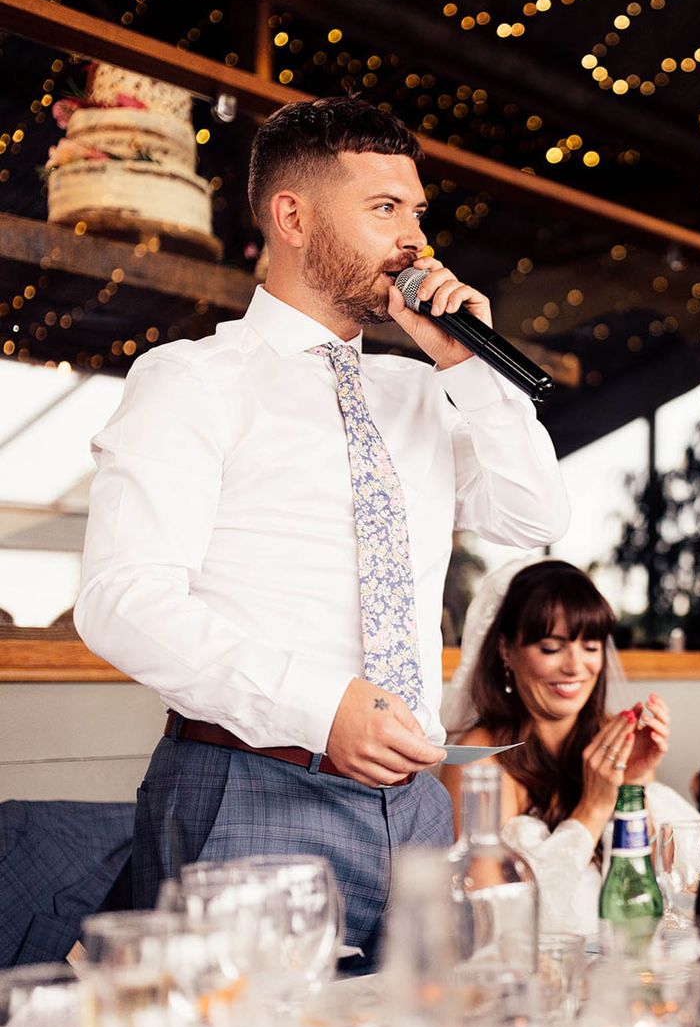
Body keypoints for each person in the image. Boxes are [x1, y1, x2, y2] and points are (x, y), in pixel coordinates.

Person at [74, 96, 569, 970]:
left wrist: (471, 367)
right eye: (384, 209)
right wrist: (317, 704)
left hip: (416, 807)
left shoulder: (425, 389)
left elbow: (533, 520)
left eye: (416, 212)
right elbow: (124, 601)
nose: (414, 238)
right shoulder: (194, 378)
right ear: (292, 217)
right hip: (252, 789)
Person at [441, 559, 699, 937]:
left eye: (591, 646)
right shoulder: (480, 758)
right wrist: (593, 808)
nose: (576, 666)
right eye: (551, 648)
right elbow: (491, 925)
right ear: (506, 651)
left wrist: (635, 786)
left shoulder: (611, 737)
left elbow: (670, 899)